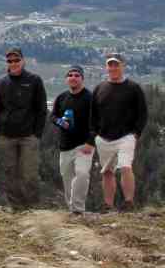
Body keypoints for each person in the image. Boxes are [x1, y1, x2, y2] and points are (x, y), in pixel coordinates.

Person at [91, 53, 148, 213]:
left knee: (125, 167)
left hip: (126, 136)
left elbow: (142, 113)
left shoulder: (133, 88)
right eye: (110, 65)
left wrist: (136, 133)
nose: (113, 68)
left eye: (116, 65)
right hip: (103, 137)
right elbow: (93, 114)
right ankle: (108, 205)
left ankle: (129, 202)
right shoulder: (99, 88)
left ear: (123, 66)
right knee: (107, 172)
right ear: (106, 67)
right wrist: (95, 134)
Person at [0, 48, 47, 209]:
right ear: (6, 63)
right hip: (6, 137)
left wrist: (37, 134)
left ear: (23, 61)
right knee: (10, 174)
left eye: (16, 60)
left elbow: (41, 109)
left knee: (29, 174)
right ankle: (16, 208)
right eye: (10, 61)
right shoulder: (0, 83)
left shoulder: (34, 80)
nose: (13, 63)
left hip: (28, 136)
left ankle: (33, 208)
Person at [50, 65, 94, 215]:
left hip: (84, 145)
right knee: (67, 180)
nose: (73, 77)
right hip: (65, 146)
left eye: (77, 75)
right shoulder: (62, 97)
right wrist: (60, 122)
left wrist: (90, 142)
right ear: (66, 79)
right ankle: (71, 210)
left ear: (82, 78)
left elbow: (97, 122)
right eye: (70, 75)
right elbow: (53, 116)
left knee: (82, 174)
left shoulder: (90, 98)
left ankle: (78, 209)